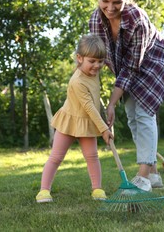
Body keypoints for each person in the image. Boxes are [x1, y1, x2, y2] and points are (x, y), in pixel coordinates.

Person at [89, 0, 164, 191]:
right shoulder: (95, 20)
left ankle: (143, 176)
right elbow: (98, 58)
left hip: (153, 62)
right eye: (105, 1)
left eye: (117, 2)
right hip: (125, 70)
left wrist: (111, 103)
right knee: (132, 117)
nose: (110, 8)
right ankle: (155, 174)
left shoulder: (136, 18)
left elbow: (132, 67)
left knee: (144, 114)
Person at [36, 34, 114, 203]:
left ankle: (97, 189)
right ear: (80, 58)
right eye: (92, 61)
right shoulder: (77, 81)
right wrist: (103, 129)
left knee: (92, 157)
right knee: (56, 157)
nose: (97, 65)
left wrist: (103, 120)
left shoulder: (94, 74)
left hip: (86, 123)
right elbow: (88, 106)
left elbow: (94, 101)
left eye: (100, 61)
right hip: (70, 121)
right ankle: (43, 191)